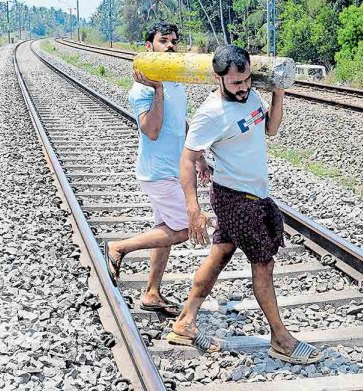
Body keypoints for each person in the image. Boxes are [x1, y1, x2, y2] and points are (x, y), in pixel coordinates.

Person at [168, 45, 322, 364]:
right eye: (235, 83)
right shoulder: (210, 113)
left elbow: (271, 129)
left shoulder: (251, 95)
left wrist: (278, 94)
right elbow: (187, 158)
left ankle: (185, 321)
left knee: (220, 253)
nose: (242, 88)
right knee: (263, 264)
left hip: (254, 194)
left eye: (247, 79)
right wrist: (193, 210)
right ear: (218, 78)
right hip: (235, 198)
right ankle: (280, 337)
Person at [105, 22, 211, 317]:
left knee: (164, 230)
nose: (171, 46)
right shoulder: (142, 89)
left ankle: (151, 292)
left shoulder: (175, 80)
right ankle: (119, 248)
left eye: (174, 41)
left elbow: (180, 124)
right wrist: (158, 91)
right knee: (182, 230)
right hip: (158, 172)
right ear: (149, 47)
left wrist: (198, 158)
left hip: (174, 170)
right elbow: (151, 130)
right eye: (163, 41)